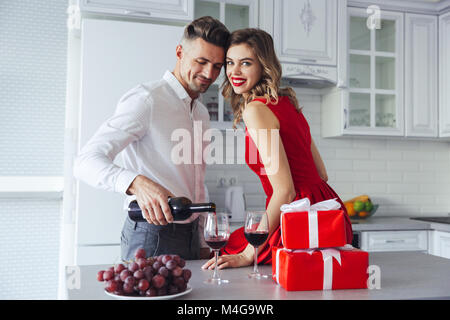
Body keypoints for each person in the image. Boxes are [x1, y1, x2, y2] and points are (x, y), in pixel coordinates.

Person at [74, 16, 230, 261]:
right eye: (201, 61)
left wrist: (200, 239)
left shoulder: (200, 112)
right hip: (151, 234)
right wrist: (136, 182)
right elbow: (85, 162)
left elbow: (197, 181)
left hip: (189, 235)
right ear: (179, 52)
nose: (209, 73)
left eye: (217, 66)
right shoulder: (147, 100)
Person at [202, 28, 353, 270]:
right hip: (329, 212)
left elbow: (285, 191)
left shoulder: (256, 109)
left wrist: (249, 254)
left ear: (264, 65)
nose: (234, 72)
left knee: (232, 250)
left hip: (300, 218)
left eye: (246, 63)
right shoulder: (287, 102)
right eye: (230, 63)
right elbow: (321, 174)